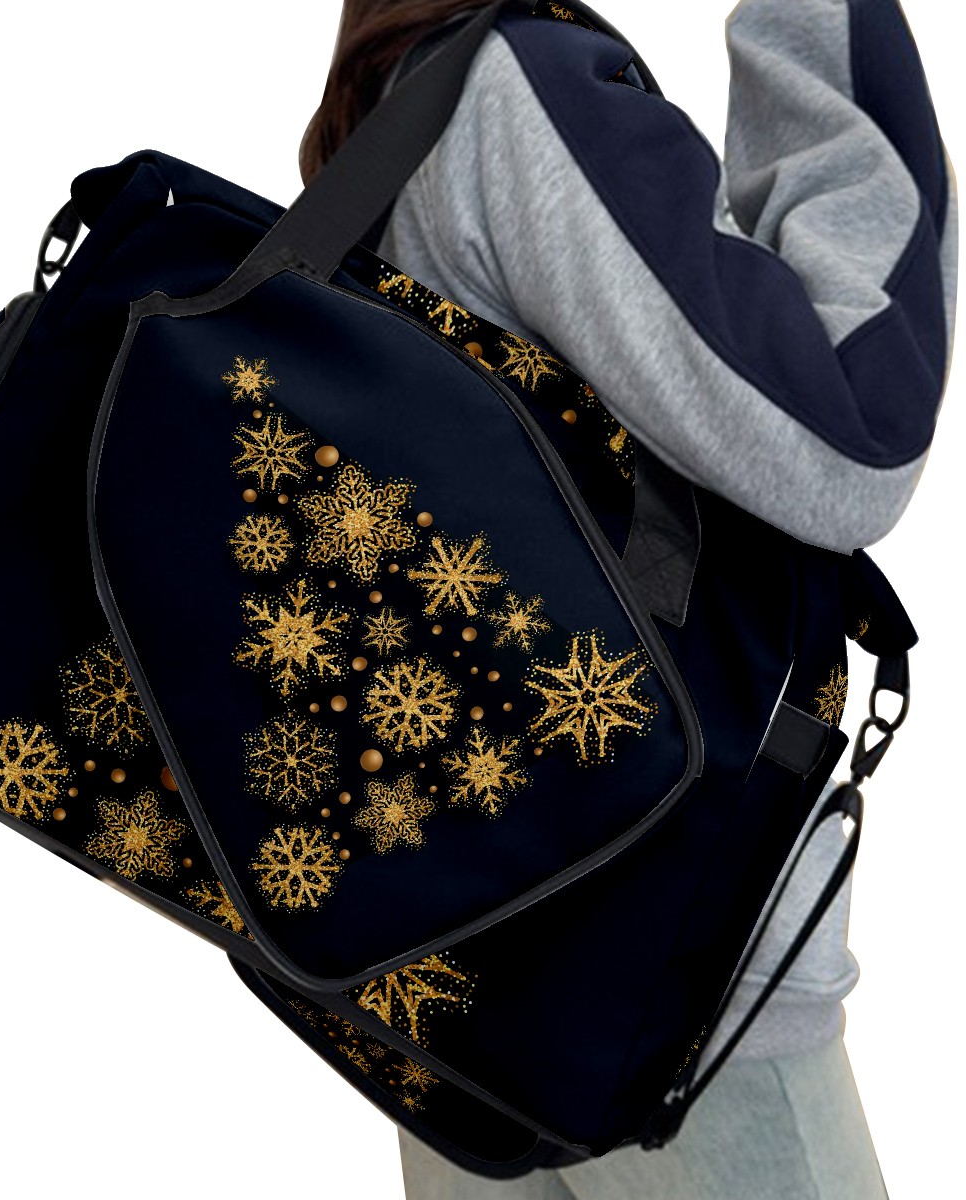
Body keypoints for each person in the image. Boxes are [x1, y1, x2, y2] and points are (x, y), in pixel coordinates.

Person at [299, 2, 957, 1197]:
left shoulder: (390, 123)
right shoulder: (522, 90)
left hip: (444, 968)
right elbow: (851, 431)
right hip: (667, 995)